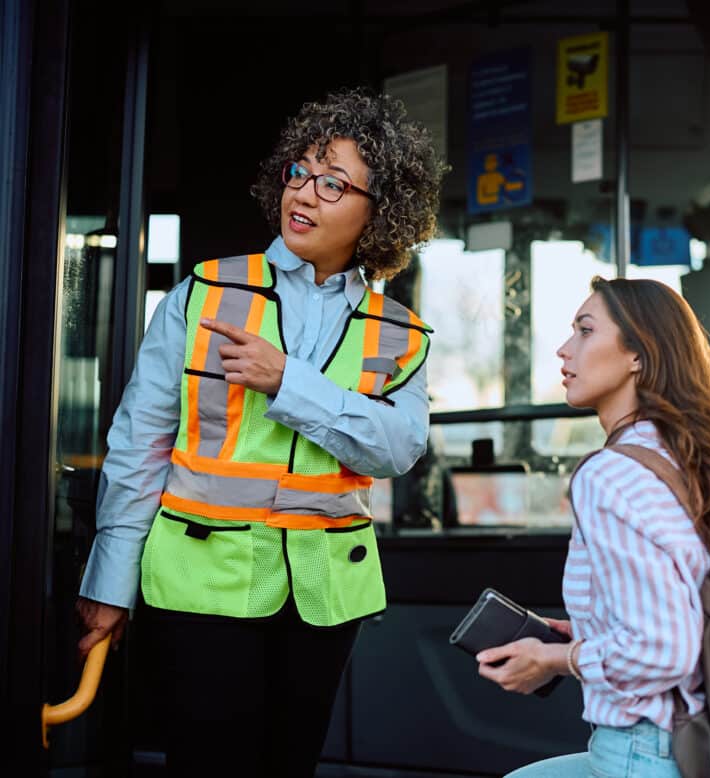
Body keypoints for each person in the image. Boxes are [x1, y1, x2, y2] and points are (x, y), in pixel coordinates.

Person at [74, 88, 446, 777]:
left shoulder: (401, 332)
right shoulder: (204, 292)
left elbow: (398, 448)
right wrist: (110, 582)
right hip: (200, 581)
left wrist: (288, 383)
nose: (303, 193)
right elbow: (138, 445)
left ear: (380, 209)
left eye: (332, 182)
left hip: (325, 594)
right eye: (298, 172)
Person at [476, 277, 710, 777]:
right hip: (706, 736)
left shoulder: (610, 473)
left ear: (638, 354)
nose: (564, 349)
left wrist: (554, 660)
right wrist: (587, 632)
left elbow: (664, 647)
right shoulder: (680, 457)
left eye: (585, 331)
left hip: (645, 751)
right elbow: (685, 609)